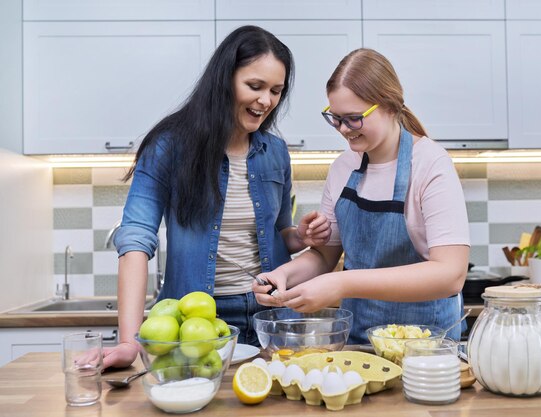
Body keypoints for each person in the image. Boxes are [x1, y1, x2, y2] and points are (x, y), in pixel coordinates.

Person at [102, 25, 330, 369]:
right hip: (198, 321)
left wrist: (301, 236)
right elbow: (135, 238)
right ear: (224, 79)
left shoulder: (276, 152)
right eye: (254, 86)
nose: (266, 100)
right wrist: (127, 341)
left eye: (276, 91)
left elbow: (281, 230)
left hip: (272, 313)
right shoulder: (168, 145)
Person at [253, 48, 470, 344]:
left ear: (390, 106)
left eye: (354, 118)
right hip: (358, 344)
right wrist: (284, 275)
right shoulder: (344, 167)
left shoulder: (430, 164)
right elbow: (324, 255)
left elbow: (450, 274)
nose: (343, 129)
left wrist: (341, 283)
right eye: (336, 118)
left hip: (426, 349)